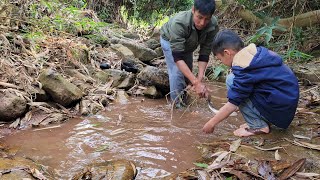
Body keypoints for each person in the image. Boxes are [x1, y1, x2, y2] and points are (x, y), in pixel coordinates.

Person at [202, 29, 299, 137]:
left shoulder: (244, 68)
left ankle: (259, 126)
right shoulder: (255, 53)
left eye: (220, 59)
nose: (222, 63)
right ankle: (261, 119)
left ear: (227, 53)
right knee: (233, 81)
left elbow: (233, 104)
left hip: (279, 112)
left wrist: (211, 123)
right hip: (284, 106)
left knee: (232, 82)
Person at [160, 0, 219, 107]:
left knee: (188, 75)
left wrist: (199, 79)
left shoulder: (213, 25)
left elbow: (205, 52)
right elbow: (177, 57)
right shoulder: (179, 23)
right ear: (193, 10)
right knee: (177, 72)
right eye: (199, 17)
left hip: (189, 45)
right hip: (169, 41)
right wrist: (196, 83)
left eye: (207, 19)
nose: (202, 23)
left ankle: (185, 97)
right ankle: (177, 106)